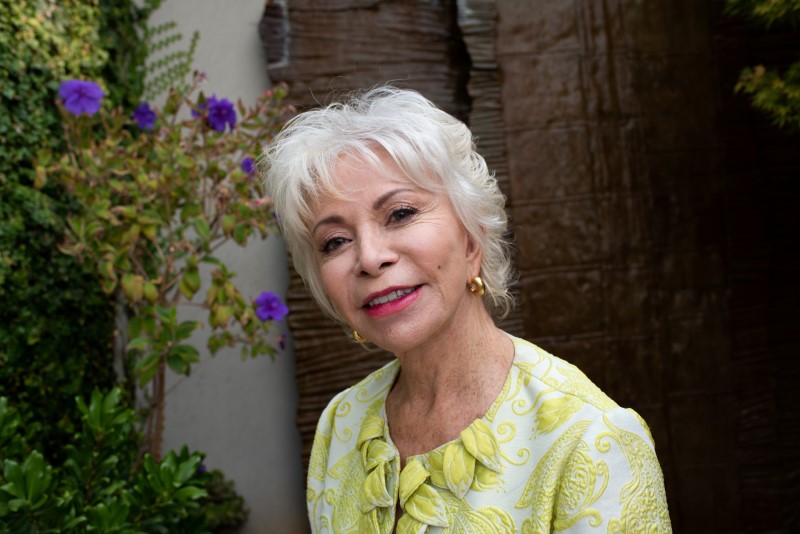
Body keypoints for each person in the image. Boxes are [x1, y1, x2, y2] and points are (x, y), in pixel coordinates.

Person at [262, 86, 671, 533]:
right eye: (334, 242)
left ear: (472, 239)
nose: (368, 257)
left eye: (399, 214)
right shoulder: (341, 423)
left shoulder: (590, 438)